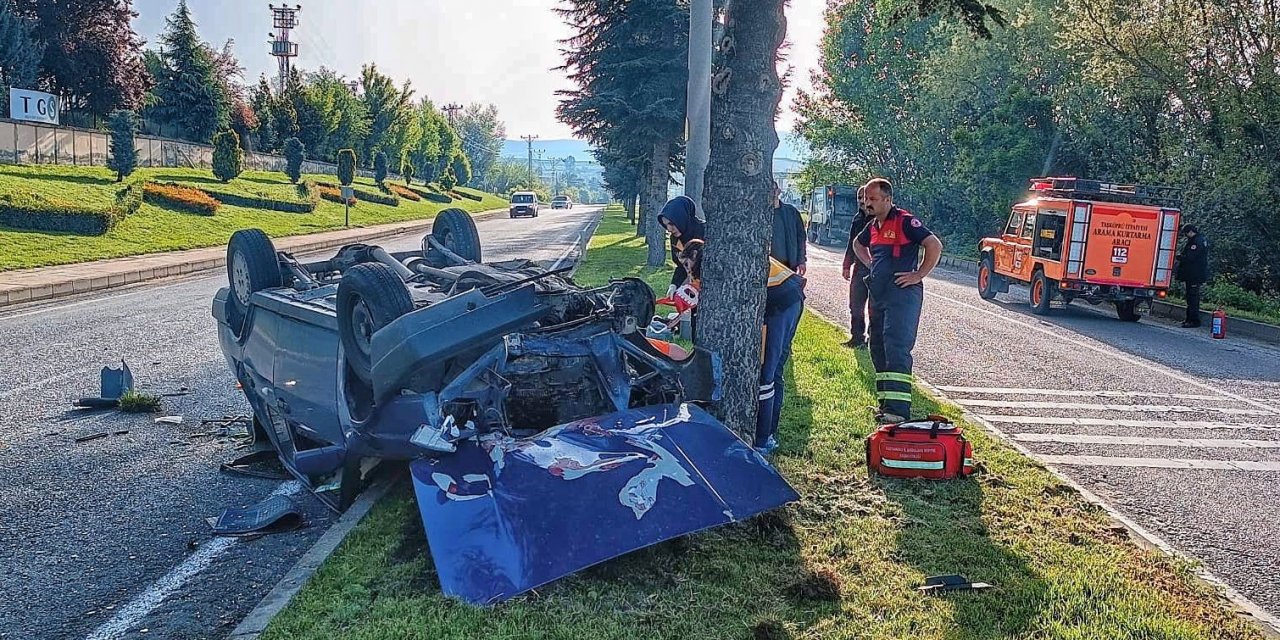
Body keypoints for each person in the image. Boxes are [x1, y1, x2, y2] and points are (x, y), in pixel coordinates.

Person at [678, 239, 805, 455]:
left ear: (697, 258)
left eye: (687, 265)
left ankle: (763, 440)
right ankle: (770, 432)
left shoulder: (721, 264)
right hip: (791, 297)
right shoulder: (725, 254)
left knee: (766, 374)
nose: (687, 272)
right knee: (775, 372)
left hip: (780, 305)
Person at [852, 178, 942, 423]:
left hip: (902, 296)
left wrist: (918, 274)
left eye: (873, 199)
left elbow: (933, 245)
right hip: (879, 294)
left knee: (896, 349)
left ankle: (898, 411)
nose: (867, 203)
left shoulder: (904, 221)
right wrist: (870, 263)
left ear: (888, 200)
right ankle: (886, 404)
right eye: (866, 199)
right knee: (877, 347)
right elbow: (857, 245)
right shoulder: (872, 226)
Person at [841, 186, 875, 348]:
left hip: (877, 270)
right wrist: (847, 265)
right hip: (860, 269)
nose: (862, 201)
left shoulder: (881, 219)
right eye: (859, 198)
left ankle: (871, 339)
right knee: (855, 305)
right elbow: (851, 244)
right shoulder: (857, 219)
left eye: (865, 197)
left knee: (874, 308)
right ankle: (856, 337)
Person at [657, 195, 706, 299]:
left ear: (681, 218)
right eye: (666, 225)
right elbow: (681, 266)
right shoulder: (675, 238)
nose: (669, 229)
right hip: (692, 289)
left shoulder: (704, 231)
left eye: (671, 223)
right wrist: (674, 284)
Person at [1175, 224, 1211, 328]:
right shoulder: (1200, 239)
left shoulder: (1196, 242)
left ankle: (1193, 320)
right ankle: (1189, 319)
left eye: (1186, 234)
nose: (1186, 236)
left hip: (1194, 274)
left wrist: (1179, 257)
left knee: (1193, 298)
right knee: (1191, 297)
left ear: (1190, 232)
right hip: (1194, 274)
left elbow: (1190, 258)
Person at [770, 182, 807, 275]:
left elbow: (801, 237)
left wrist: (801, 261)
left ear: (778, 191)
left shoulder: (792, 212)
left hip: (788, 267)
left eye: (773, 190)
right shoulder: (757, 216)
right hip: (766, 267)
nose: (771, 193)